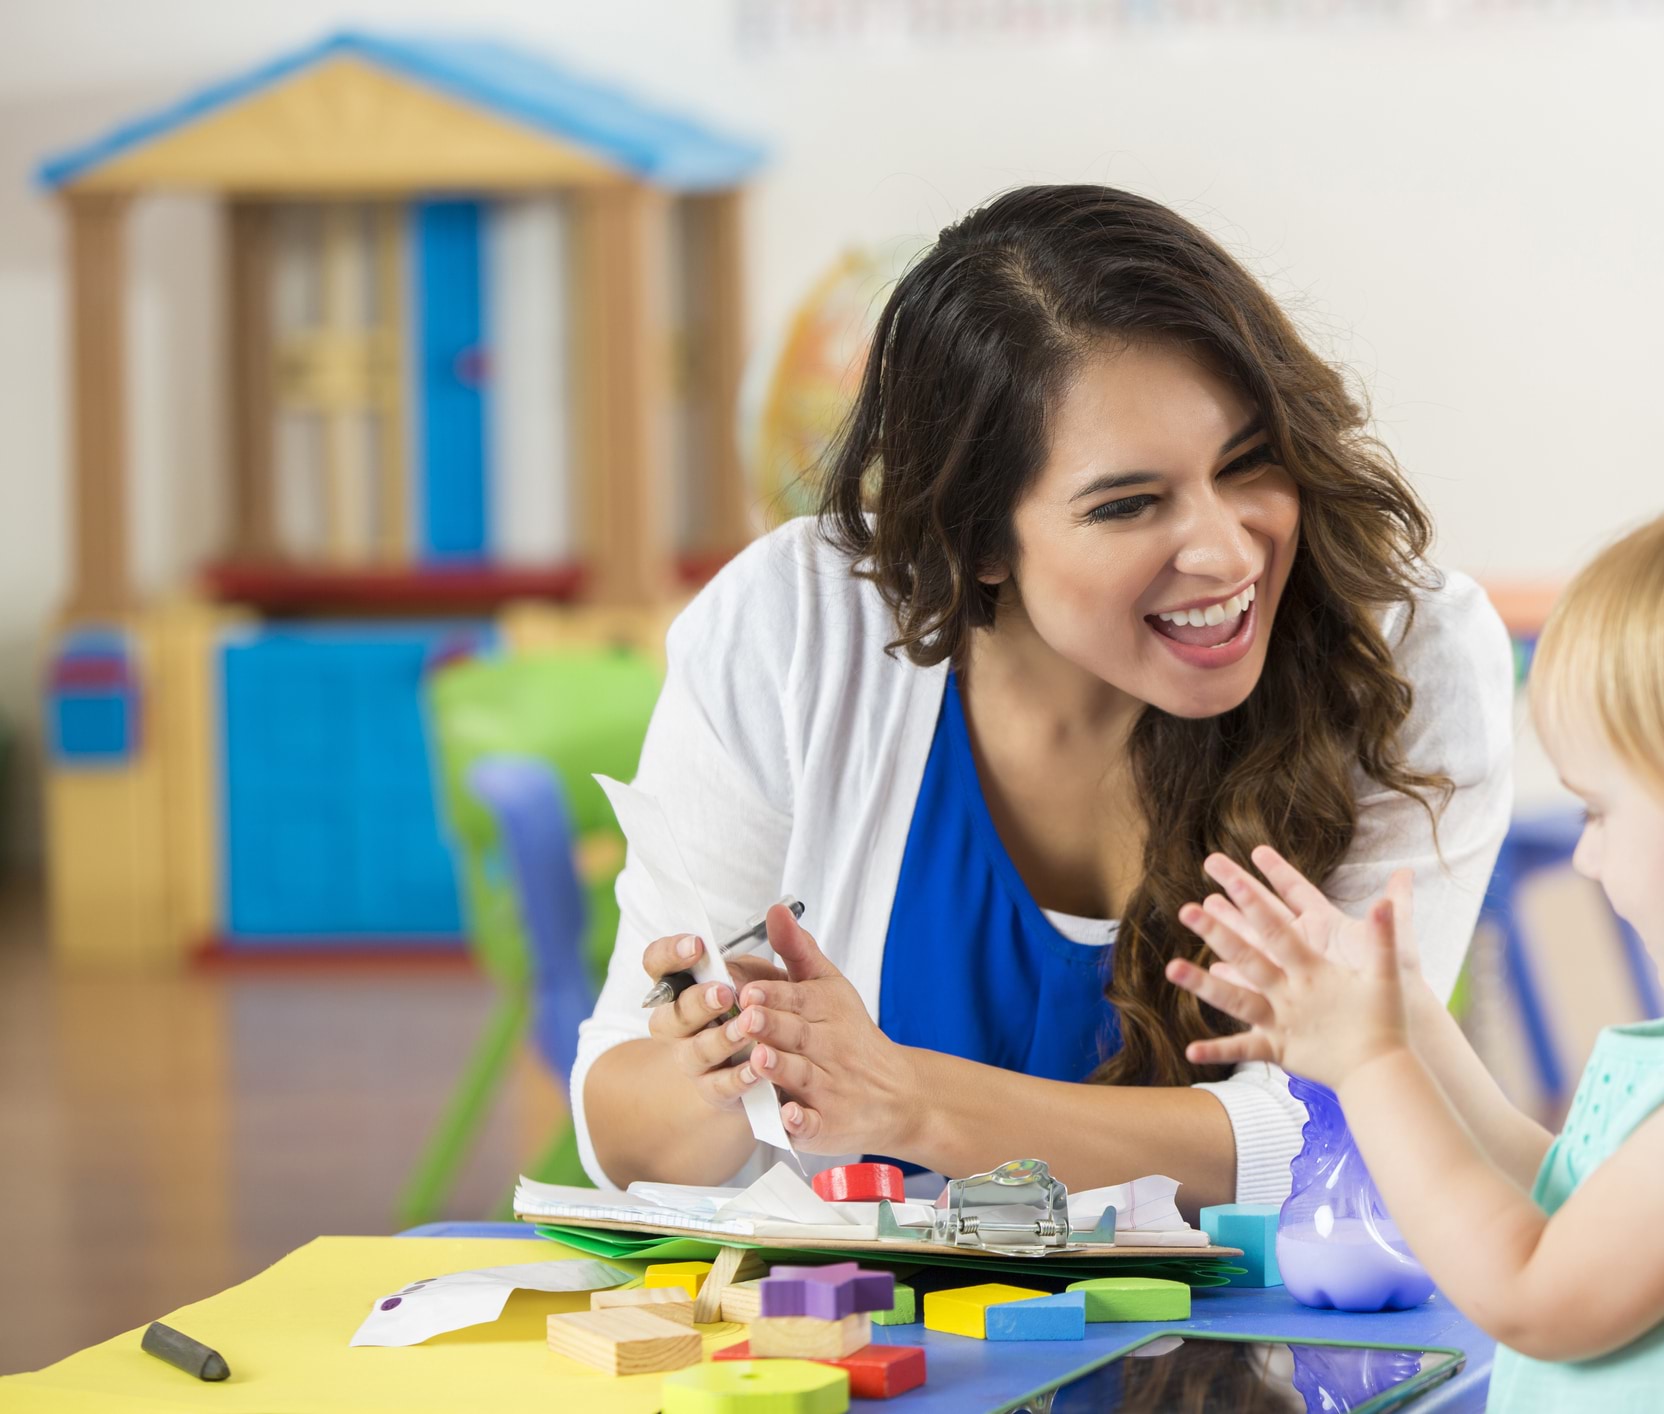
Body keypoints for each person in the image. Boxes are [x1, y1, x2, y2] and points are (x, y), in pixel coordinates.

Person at [572, 184, 1514, 1211]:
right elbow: (620, 1130)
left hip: (1259, 1357)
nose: (1227, 549)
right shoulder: (792, 625)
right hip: (882, 1354)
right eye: (1128, 504)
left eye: (1250, 463)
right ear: (975, 540)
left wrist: (909, 1099)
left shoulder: (1400, 654)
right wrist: (734, 1066)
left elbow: (1352, 1135)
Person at [1170, 480, 1664, 1407]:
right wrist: (1411, 1024)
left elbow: (1532, 1288)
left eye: (1600, 811)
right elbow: (1564, 1200)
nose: (1589, 859)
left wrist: (1369, 1066)